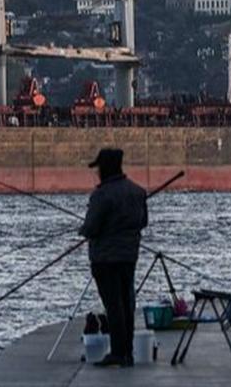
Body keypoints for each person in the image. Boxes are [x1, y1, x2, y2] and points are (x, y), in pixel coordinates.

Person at [79, 148, 148, 368]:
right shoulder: (138, 192)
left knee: (114, 306)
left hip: (105, 259)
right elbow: (143, 222)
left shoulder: (101, 194)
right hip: (129, 257)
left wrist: (82, 230)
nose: (97, 172)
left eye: (99, 167)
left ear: (106, 168)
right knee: (127, 303)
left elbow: (91, 227)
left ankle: (118, 353)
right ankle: (127, 352)